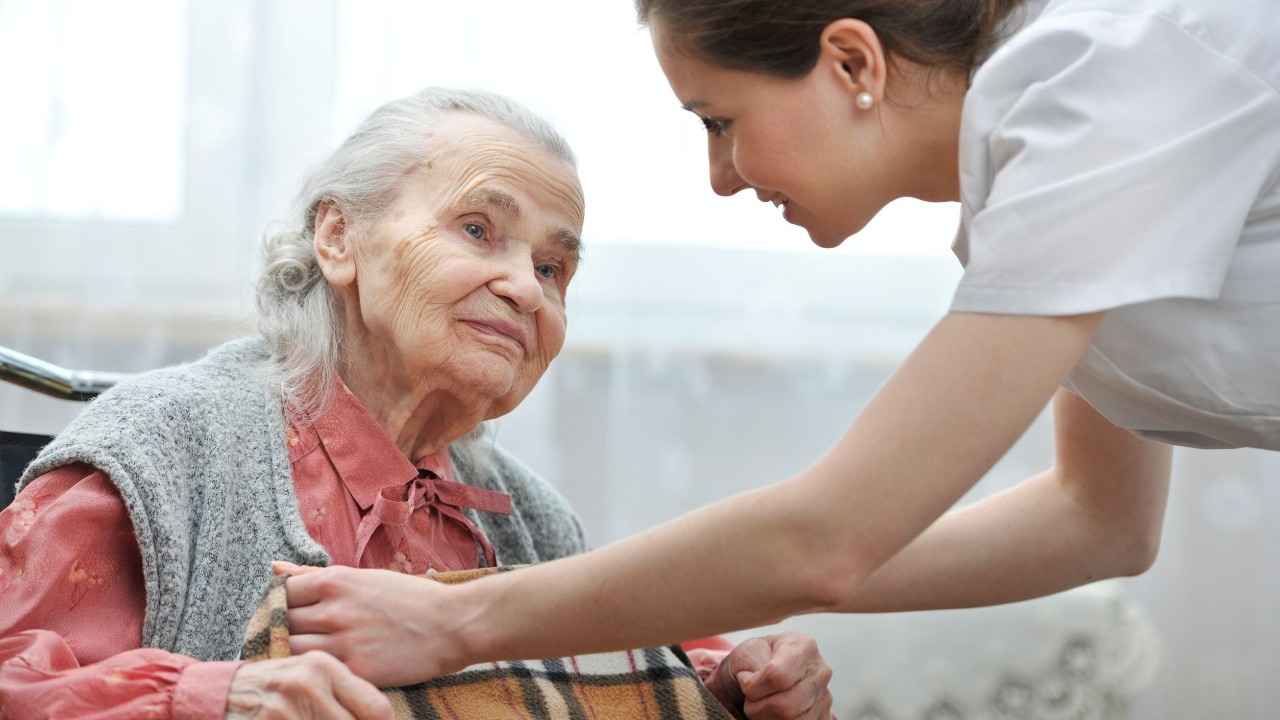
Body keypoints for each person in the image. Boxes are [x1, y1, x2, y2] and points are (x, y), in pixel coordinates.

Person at [275, 0, 1280, 694]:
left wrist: (460, 620)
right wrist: (675, 616)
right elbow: (1095, 521)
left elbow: (828, 539)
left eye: (719, 120)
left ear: (851, 61)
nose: (719, 174)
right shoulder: (1044, 183)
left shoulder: (1099, 89)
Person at [0, 86, 835, 720]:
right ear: (339, 238)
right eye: (478, 229)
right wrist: (223, 696)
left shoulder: (531, 519)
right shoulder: (168, 447)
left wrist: (731, 684)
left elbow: (608, 662)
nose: (523, 288)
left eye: (553, 268)